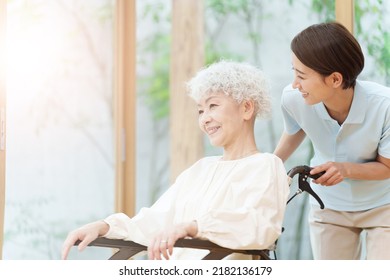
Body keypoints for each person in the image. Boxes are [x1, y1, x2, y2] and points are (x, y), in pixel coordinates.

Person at [62, 60, 290, 260]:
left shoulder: (266, 166)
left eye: (213, 106)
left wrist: (193, 227)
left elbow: (258, 226)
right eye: (200, 111)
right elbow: (156, 220)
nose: (205, 119)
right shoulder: (200, 169)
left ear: (247, 108)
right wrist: (104, 226)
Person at [274, 22, 390, 260]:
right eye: (293, 72)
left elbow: (387, 166)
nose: (295, 83)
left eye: (302, 75)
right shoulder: (294, 98)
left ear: (335, 79)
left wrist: (344, 169)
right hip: (329, 206)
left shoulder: (384, 106)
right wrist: (269, 166)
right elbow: (296, 129)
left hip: (384, 206)